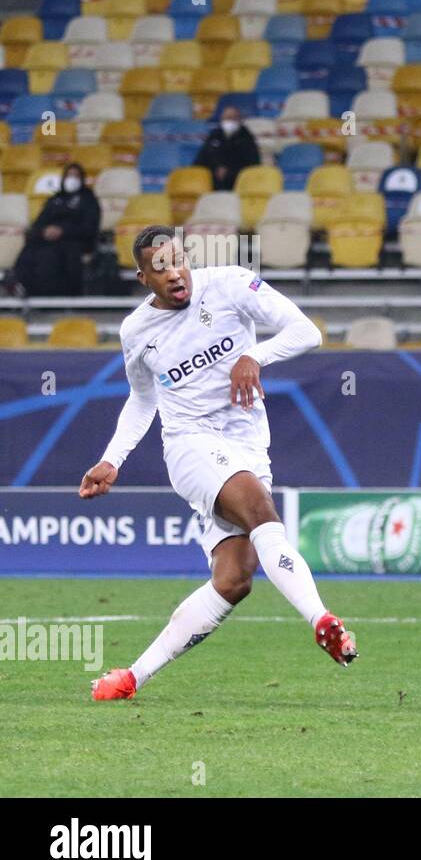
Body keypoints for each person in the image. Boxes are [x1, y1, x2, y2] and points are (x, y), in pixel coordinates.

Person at [80, 225, 356, 701]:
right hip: (189, 444)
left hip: (248, 444)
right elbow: (142, 399)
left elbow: (306, 332)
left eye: (178, 259)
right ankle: (323, 620)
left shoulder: (230, 283)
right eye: (160, 268)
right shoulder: (136, 331)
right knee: (259, 509)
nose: (174, 273)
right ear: (143, 277)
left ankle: (129, 679)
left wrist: (254, 354)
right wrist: (112, 458)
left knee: (234, 579)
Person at [12, 163, 101, 297]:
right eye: (69, 176)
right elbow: (38, 223)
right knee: (29, 251)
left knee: (51, 256)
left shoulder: (89, 200)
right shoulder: (55, 199)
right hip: (48, 239)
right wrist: (44, 231)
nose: (72, 179)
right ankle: (24, 287)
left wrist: (63, 231)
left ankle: (59, 295)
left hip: (74, 240)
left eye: (76, 176)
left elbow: (89, 228)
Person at [194, 106, 261, 191]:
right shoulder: (214, 136)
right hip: (212, 184)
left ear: (240, 120)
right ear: (222, 119)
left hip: (238, 185)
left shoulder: (247, 139)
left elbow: (253, 166)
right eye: (228, 118)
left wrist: (230, 172)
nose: (231, 121)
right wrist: (215, 170)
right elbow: (200, 161)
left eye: (234, 118)